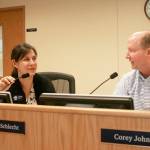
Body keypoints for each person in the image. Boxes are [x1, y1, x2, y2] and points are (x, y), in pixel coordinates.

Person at [114, 30, 150, 110]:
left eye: (131, 51)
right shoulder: (127, 80)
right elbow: (115, 111)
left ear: (148, 52)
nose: (127, 56)